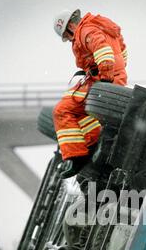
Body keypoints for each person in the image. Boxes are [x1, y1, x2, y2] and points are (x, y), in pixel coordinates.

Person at [53, 9, 128, 179]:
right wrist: (115, 74)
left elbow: (103, 50)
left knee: (63, 110)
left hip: (103, 80)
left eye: (68, 35)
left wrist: (106, 78)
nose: (70, 40)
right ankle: (91, 145)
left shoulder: (86, 31)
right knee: (82, 109)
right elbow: (122, 52)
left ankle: (78, 155)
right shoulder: (102, 26)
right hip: (109, 79)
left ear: (71, 26)